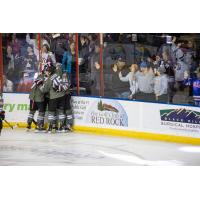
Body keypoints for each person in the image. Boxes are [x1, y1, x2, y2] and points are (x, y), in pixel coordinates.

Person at [39, 62, 71, 133]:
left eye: (46, 71)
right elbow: (59, 68)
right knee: (61, 112)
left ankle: (50, 128)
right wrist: (57, 65)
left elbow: (44, 90)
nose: (45, 72)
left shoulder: (49, 80)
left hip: (53, 98)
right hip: (62, 96)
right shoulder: (58, 72)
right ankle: (62, 127)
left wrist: (40, 85)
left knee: (51, 113)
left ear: (49, 72)